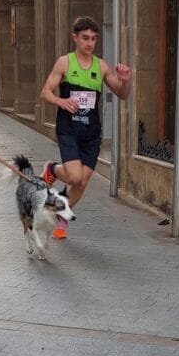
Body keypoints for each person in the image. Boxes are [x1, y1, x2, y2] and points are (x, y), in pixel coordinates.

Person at [40, 15, 131, 239]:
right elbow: (45, 92)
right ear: (75, 38)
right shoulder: (65, 62)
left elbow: (122, 94)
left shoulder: (101, 67)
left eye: (93, 39)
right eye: (85, 38)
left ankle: (62, 217)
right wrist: (62, 101)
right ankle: (53, 169)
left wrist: (126, 80)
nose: (90, 43)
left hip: (91, 132)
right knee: (73, 177)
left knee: (82, 181)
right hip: (69, 129)